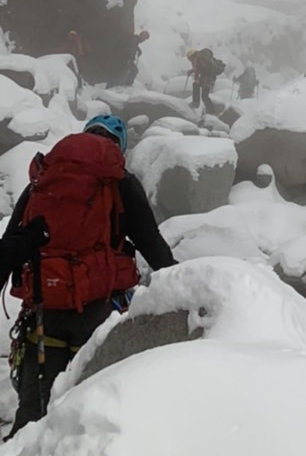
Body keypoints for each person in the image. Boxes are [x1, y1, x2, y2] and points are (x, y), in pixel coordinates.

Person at [0, 114, 176, 434]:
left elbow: (12, 243)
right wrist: (182, 283)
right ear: (118, 148)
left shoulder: (43, 179)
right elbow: (151, 243)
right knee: (92, 410)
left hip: (44, 310)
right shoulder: (119, 181)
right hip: (101, 312)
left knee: (34, 413)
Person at [186, 47, 224, 113]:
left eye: (189, 58)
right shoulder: (202, 58)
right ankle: (211, 111)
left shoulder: (197, 58)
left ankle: (196, 103)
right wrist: (191, 71)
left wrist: (196, 78)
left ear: (191, 56)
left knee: (195, 85)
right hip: (210, 78)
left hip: (205, 77)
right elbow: (201, 68)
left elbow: (198, 69)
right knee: (205, 96)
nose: (190, 60)